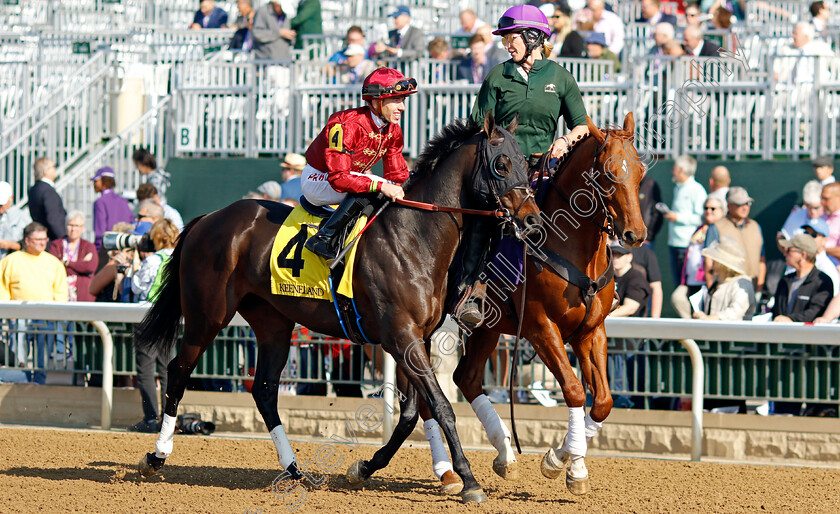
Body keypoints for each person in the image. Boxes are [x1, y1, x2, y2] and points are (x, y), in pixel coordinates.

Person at [467, 3, 589, 327]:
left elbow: (582, 126)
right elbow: (478, 126)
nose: (507, 44)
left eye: (513, 37)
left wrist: (564, 141)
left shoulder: (560, 76)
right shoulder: (497, 75)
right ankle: (475, 291)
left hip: (545, 168)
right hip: (504, 174)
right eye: (505, 38)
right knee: (484, 219)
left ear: (534, 37)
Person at [301, 68, 413, 260]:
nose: (401, 107)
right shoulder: (346, 125)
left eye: (402, 100)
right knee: (375, 186)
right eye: (396, 100)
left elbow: (397, 176)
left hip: (348, 178)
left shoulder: (393, 131)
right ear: (377, 101)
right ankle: (324, 238)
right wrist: (380, 185)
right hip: (319, 179)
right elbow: (339, 178)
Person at [0, 222, 69, 384]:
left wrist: (56, 314)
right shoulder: (10, 261)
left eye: (44, 239)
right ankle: (21, 383)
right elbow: (2, 288)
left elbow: (60, 292)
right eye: (38, 239)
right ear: (27, 240)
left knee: (42, 358)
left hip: (45, 317)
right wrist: (8, 312)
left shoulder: (54, 263)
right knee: (18, 357)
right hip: (18, 317)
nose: (42, 242)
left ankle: (39, 385)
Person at [128, 218, 180, 432]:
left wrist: (131, 268)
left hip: (148, 316)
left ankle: (150, 418)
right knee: (168, 369)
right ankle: (169, 419)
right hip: (170, 317)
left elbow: (137, 287)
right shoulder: (180, 257)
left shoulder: (153, 260)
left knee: (146, 370)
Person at [672, 196, 726, 319]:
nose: (708, 211)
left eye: (713, 208)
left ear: (722, 211)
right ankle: (689, 335)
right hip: (691, 281)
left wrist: (711, 281)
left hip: (708, 281)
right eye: (706, 208)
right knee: (678, 298)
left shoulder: (722, 230)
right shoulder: (699, 229)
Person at [705, 187, 766, 292]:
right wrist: (712, 291)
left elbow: (761, 260)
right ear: (729, 205)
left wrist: (759, 288)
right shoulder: (716, 228)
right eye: (740, 204)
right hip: (728, 290)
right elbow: (708, 264)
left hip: (754, 288)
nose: (745, 208)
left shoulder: (755, 226)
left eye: (747, 204)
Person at [664, 155, 707, 286]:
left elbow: (701, 217)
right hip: (675, 243)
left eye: (675, 169)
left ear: (682, 170)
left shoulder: (697, 190)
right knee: (678, 283)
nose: (672, 172)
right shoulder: (678, 188)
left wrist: (677, 217)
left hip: (687, 245)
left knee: (686, 284)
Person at [773, 233, 833, 322]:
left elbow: (816, 312)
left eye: (789, 250)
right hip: (781, 334)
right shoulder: (784, 280)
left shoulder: (823, 282)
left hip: (809, 335)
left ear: (803, 254)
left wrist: (790, 319)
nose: (785, 254)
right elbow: (776, 312)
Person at [693, 239, 755, 320]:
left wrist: (711, 318)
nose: (712, 262)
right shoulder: (717, 281)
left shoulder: (743, 283)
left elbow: (736, 312)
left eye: (715, 259)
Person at [49, 211, 98, 302]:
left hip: (83, 295)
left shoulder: (89, 246)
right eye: (70, 225)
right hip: (60, 294)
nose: (73, 229)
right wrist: (81, 266)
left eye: (77, 226)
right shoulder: (56, 245)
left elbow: (90, 267)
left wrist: (67, 263)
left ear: (83, 228)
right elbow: (54, 267)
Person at [92, 166, 135, 251]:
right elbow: (131, 221)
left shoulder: (100, 202)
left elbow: (100, 231)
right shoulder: (123, 200)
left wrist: (97, 249)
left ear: (104, 181)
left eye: (96, 181)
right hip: (125, 246)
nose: (94, 184)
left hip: (108, 248)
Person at [28, 157, 67, 242]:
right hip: (52, 240)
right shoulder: (48, 191)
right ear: (46, 171)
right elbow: (53, 218)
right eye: (53, 166)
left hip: (41, 238)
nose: (55, 169)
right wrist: (63, 239)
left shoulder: (34, 189)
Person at [798, 218, 840, 296]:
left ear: (824, 240)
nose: (808, 238)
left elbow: (832, 298)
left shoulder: (827, 268)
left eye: (814, 235)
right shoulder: (796, 259)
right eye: (806, 233)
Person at [609, 244, 652, 318]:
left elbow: (630, 308)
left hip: (631, 326)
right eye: (612, 254)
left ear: (629, 257)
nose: (615, 258)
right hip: (608, 324)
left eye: (619, 255)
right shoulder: (607, 278)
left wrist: (601, 315)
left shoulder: (637, 278)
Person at [0, 180, 31, 260]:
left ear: (11, 199)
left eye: (1, 204)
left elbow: (30, 242)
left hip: (13, 262)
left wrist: (9, 245)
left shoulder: (22, 217)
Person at [638, 174, 663, 246]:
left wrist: (648, 236)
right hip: (630, 237)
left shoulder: (651, 185)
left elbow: (657, 213)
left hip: (645, 240)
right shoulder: (630, 183)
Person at [821, 182, 840, 266]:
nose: (822, 202)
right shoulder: (821, 215)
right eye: (822, 198)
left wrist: (820, 250)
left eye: (826, 199)